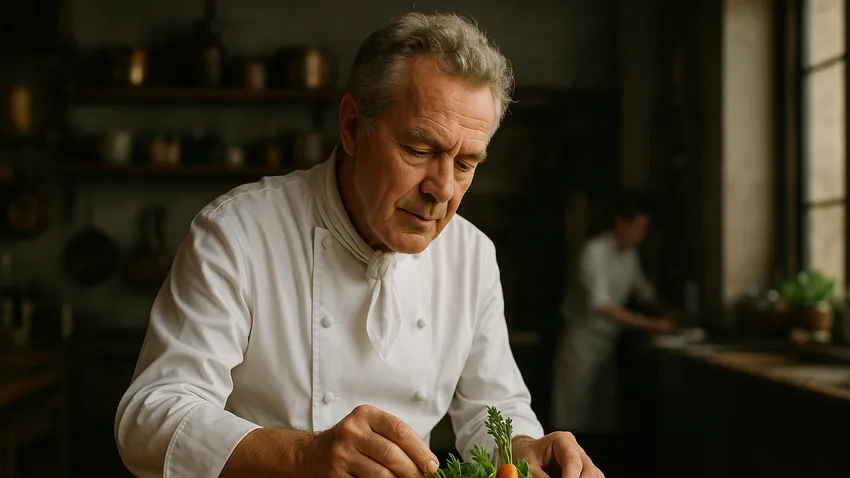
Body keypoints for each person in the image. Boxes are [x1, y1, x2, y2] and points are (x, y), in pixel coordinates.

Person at [114, 12, 603, 478]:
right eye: (418, 149)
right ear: (352, 127)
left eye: (466, 163)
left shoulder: (471, 256)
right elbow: (149, 418)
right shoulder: (239, 233)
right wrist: (304, 457)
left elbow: (492, 413)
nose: (442, 189)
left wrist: (527, 450)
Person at [550, 192, 674, 472]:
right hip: (581, 344)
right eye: (640, 227)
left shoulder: (629, 255)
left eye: (646, 229)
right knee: (573, 420)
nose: (642, 234)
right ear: (621, 222)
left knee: (601, 418)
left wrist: (671, 311)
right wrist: (650, 324)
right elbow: (601, 304)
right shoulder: (594, 251)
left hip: (607, 345)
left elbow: (644, 292)